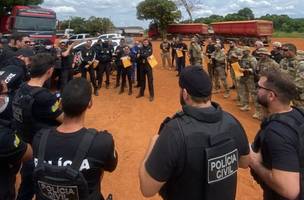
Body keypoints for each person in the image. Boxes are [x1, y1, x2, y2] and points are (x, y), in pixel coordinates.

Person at [139, 66, 250, 200]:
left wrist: (153, 144)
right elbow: (244, 162)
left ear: (185, 94)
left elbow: (147, 188)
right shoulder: (232, 122)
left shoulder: (175, 131)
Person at [32, 78, 118, 200]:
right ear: (90, 103)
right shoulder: (102, 142)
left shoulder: (39, 138)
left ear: (60, 103)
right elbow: (111, 166)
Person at [12, 53, 63, 200]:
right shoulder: (44, 97)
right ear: (49, 71)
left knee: (26, 188)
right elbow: (64, 119)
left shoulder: (22, 87)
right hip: (41, 150)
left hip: (25, 144)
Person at [250, 67, 301, 200]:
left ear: (271, 95)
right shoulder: (298, 114)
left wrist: (254, 162)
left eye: (259, 87)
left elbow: (289, 190)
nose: (257, 90)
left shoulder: (276, 133)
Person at [238, 46, 261, 119]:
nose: (243, 52)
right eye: (243, 51)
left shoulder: (252, 59)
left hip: (250, 78)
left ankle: (258, 111)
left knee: (253, 93)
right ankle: (246, 105)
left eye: (244, 51)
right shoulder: (242, 58)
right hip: (243, 76)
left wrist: (246, 70)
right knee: (244, 91)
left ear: (248, 51)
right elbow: (240, 66)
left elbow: (255, 69)